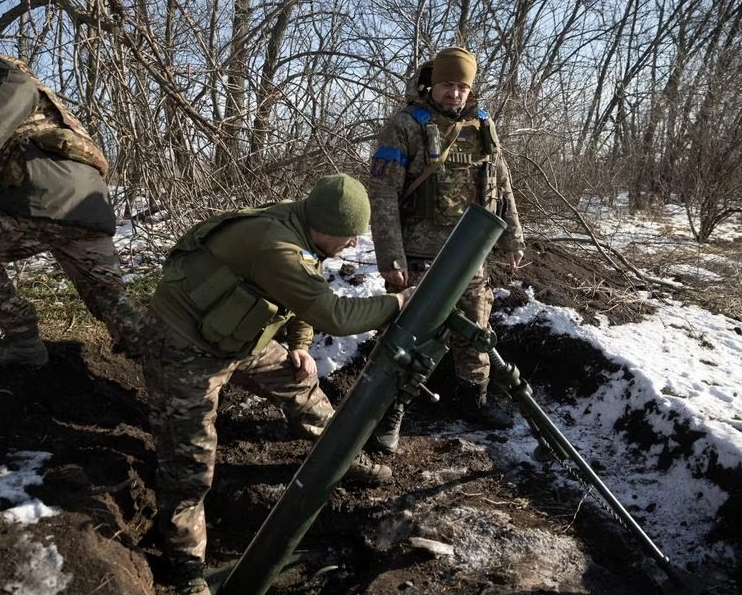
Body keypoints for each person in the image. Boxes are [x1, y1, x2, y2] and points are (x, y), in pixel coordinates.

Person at [141, 174, 414, 594]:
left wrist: (300, 345)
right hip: (184, 345)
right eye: (347, 235)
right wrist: (398, 303)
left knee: (301, 387)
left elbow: (305, 290)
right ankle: (185, 567)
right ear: (323, 225)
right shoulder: (277, 244)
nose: (353, 245)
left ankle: (340, 455)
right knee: (189, 462)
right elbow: (335, 315)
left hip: (240, 333)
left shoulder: (303, 227)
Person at [0, 38, 144, 366]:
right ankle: (175, 369)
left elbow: (17, 86)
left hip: (44, 202)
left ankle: (23, 342)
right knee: (111, 300)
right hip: (87, 207)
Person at [367, 46, 526, 454]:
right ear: (431, 83)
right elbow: (383, 195)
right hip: (420, 259)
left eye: (461, 85)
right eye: (447, 84)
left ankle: (473, 400)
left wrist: (513, 237)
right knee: (407, 339)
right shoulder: (404, 125)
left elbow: (501, 184)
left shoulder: (483, 124)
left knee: (476, 331)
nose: (454, 93)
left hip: (472, 254)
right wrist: (391, 258)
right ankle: (387, 416)